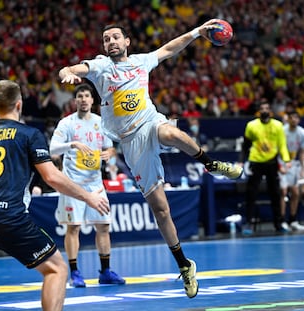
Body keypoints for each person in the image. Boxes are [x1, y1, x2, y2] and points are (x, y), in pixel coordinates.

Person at [58, 20, 243, 298]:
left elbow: (170, 48)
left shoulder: (142, 61)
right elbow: (73, 68)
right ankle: (184, 264)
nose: (111, 42)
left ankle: (211, 164)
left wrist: (196, 32)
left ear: (127, 42)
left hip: (149, 122)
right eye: (106, 39)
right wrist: (67, 74)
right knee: (161, 210)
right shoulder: (100, 67)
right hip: (132, 143)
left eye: (116, 37)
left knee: (172, 133)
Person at [0, 80, 110, 310]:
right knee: (56, 269)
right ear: (19, 104)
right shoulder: (29, 134)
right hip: (10, 218)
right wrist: (89, 197)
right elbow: (52, 177)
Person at [50, 83, 125, 287]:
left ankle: (106, 271)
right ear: (75, 101)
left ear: (93, 100)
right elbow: (52, 148)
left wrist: (110, 153)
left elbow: (110, 150)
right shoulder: (67, 124)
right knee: (73, 228)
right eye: (80, 96)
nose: (83, 99)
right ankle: (74, 273)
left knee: (103, 226)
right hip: (72, 183)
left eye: (87, 96)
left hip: (95, 183)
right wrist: (72, 144)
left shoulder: (101, 122)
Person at [241, 100, 291, 233]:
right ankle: (248, 223)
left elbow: (282, 145)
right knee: (251, 193)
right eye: (261, 108)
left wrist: (286, 161)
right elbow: (245, 145)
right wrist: (241, 161)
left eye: (266, 108)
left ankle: (278, 223)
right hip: (256, 162)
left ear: (270, 111)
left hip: (272, 163)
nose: (264, 111)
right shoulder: (251, 125)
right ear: (258, 112)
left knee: (275, 193)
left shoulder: (278, 125)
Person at [279, 111, 304, 231]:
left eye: (296, 118)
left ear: (299, 120)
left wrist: (302, 168)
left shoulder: (302, 133)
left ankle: (293, 219)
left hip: (294, 164)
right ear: (288, 120)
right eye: (292, 118)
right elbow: (276, 149)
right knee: (283, 191)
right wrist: (280, 166)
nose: (294, 120)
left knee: (295, 192)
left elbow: (302, 151)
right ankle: (281, 220)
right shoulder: (282, 131)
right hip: (281, 162)